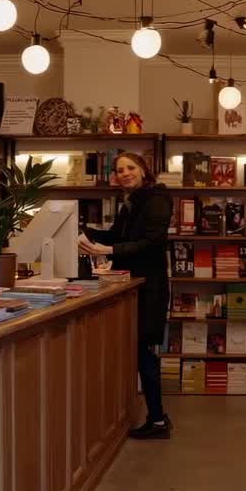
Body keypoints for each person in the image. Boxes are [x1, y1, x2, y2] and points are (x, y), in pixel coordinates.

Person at [78, 151, 172, 439]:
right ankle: (155, 418)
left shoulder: (156, 199)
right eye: (120, 170)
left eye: (130, 167)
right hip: (133, 286)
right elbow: (117, 237)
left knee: (143, 352)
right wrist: (83, 230)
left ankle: (158, 421)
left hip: (149, 288)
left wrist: (109, 251)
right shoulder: (130, 203)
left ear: (144, 170)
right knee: (138, 352)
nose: (125, 173)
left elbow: (152, 242)